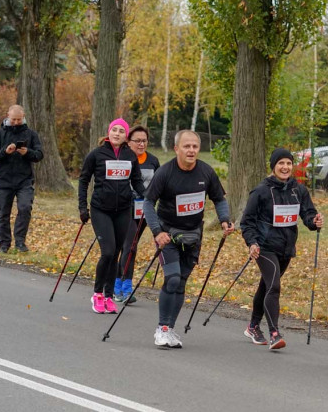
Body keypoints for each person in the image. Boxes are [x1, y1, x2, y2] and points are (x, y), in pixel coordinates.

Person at [142, 129, 233, 348]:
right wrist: (157, 232)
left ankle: (170, 328)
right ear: (176, 149)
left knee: (181, 282)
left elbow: (219, 199)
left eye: (195, 146)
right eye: (186, 146)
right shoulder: (165, 173)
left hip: (193, 235)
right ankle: (162, 328)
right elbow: (148, 203)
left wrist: (224, 219)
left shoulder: (206, 172)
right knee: (172, 279)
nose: (191, 150)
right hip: (168, 235)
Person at [240, 148, 323, 351]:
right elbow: (247, 222)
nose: (285, 167)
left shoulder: (298, 190)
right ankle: (274, 333)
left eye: (288, 163)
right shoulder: (261, 191)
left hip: (286, 247)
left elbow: (308, 214)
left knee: (267, 286)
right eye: (281, 163)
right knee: (274, 286)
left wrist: (314, 221)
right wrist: (252, 242)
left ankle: (252, 327)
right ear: (273, 166)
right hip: (264, 247)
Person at [78, 119, 146, 315]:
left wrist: (149, 196)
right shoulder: (97, 154)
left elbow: (137, 181)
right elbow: (84, 180)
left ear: (126, 136)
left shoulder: (130, 156)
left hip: (123, 210)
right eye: (114, 130)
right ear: (109, 132)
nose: (117, 133)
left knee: (116, 253)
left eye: (121, 131)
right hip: (101, 209)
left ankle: (109, 296)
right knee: (107, 252)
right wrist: (82, 207)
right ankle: (97, 294)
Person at [113, 125, 161, 304]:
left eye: (144, 141)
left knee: (129, 247)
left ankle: (116, 284)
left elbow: (158, 185)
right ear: (128, 142)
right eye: (137, 141)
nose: (141, 144)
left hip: (143, 211)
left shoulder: (153, 161)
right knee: (130, 246)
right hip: (123, 209)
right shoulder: (122, 158)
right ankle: (124, 288)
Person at [0, 105, 43, 253]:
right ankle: (4, 243)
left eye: (19, 119)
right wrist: (5, 152)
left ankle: (20, 242)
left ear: (23, 117)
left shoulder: (31, 135)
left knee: (25, 208)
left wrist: (27, 152)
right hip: (4, 180)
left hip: (24, 180)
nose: (16, 122)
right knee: (3, 213)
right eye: (13, 119)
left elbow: (39, 155)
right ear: (8, 116)